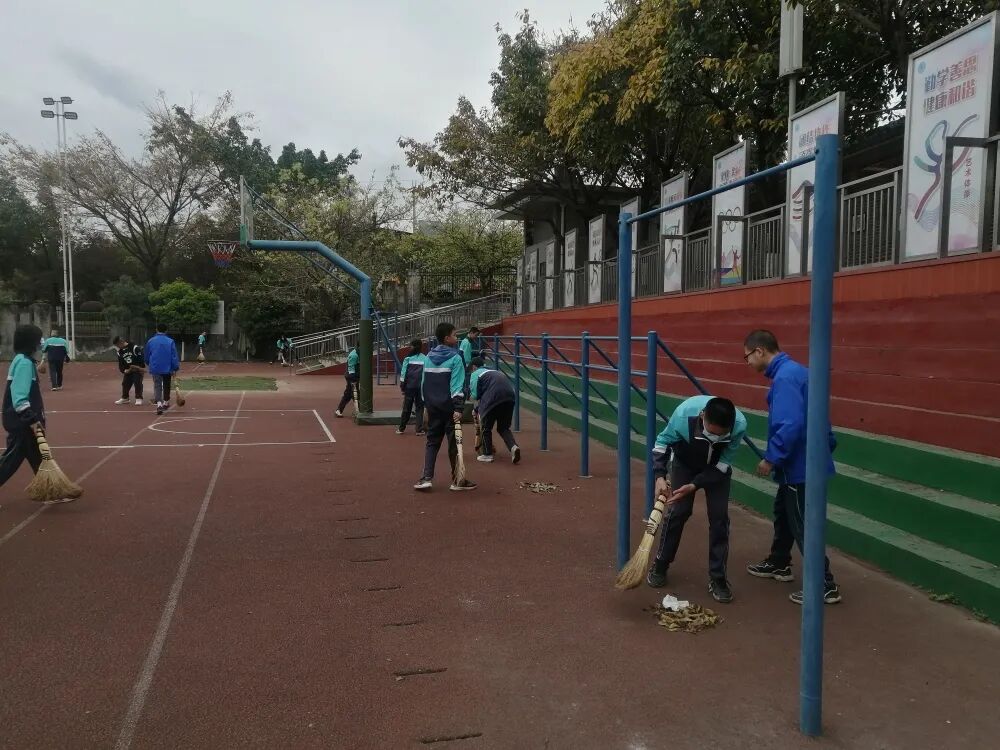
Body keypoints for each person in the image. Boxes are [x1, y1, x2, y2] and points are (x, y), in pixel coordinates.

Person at [742, 329, 842, 605]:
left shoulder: (785, 378)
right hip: (806, 460)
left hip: (799, 465)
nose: (748, 362)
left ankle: (824, 584)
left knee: (802, 523)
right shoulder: (798, 372)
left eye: (747, 356)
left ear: (760, 351)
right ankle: (779, 562)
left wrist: (771, 457)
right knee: (784, 513)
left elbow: (790, 424)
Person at [645, 395, 747, 603]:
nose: (715, 438)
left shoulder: (739, 425)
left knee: (719, 518)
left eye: (721, 435)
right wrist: (659, 476)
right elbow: (662, 442)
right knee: (678, 512)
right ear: (702, 417)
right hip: (685, 463)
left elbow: (724, 463)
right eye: (711, 432)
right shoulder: (684, 415)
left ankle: (718, 578)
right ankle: (661, 564)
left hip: (717, 469)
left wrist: (695, 485)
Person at [0, 324, 78, 503]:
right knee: (10, 462)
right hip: (23, 423)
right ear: (32, 342)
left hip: (23, 421)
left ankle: (51, 490)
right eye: (39, 339)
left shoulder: (22, 360)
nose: (41, 342)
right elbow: (19, 396)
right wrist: (31, 419)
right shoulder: (24, 363)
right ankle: (53, 491)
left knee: (39, 458)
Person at [414, 322, 476, 492]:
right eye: (455, 335)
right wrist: (458, 408)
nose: (457, 337)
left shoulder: (428, 357)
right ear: (447, 338)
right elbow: (456, 386)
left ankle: (426, 478)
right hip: (449, 408)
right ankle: (457, 480)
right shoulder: (456, 358)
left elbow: (424, 385)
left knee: (432, 442)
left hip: (433, 407)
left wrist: (426, 405)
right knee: (454, 444)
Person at [468, 357, 520, 464]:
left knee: (486, 428)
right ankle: (513, 447)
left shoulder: (476, 374)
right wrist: (478, 409)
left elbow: (475, 395)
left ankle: (487, 454)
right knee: (503, 427)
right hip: (510, 397)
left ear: (474, 367)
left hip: (493, 398)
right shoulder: (494, 371)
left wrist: (475, 409)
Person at [145, 324, 180, 416]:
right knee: (167, 384)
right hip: (167, 366)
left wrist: (149, 363)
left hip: (155, 366)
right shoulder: (170, 341)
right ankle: (166, 402)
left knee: (157, 385)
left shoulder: (151, 341)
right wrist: (175, 367)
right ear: (166, 330)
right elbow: (174, 356)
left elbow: (147, 355)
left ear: (156, 330)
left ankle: (159, 404)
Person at [397, 338, 427, 435]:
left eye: (411, 346)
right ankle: (419, 429)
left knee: (406, 408)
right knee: (419, 408)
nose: (410, 347)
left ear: (414, 347)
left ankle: (401, 428)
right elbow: (426, 374)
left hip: (409, 387)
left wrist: (402, 386)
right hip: (420, 387)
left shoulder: (408, 358)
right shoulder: (425, 358)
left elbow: (403, 373)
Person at [113, 336, 145, 406]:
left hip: (137, 370)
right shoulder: (119, 352)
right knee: (125, 383)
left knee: (137, 382)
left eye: (117, 345)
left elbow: (141, 359)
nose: (117, 347)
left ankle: (138, 398)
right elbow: (121, 364)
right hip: (128, 370)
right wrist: (124, 370)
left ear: (121, 342)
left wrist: (138, 367)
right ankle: (125, 398)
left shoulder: (134, 348)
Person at [334, 346, 360, 417]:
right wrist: (353, 380)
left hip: (354, 376)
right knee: (355, 394)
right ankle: (358, 411)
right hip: (351, 377)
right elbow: (351, 370)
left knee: (348, 394)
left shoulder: (359, 353)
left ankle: (339, 410)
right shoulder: (354, 355)